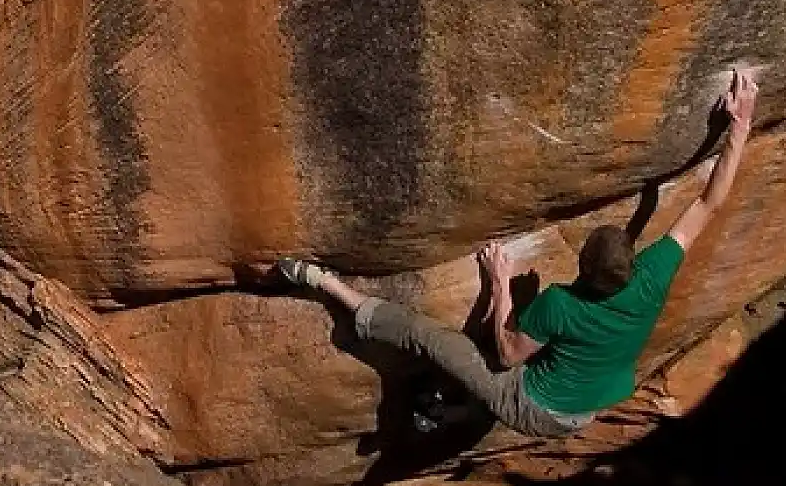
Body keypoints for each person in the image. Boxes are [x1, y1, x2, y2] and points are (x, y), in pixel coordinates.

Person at [277, 69, 760, 438]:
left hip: (537, 408)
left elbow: (509, 356)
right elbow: (707, 202)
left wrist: (500, 281)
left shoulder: (559, 304)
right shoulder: (652, 276)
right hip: (587, 408)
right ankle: (455, 410)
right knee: (488, 379)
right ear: (631, 263)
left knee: (435, 341)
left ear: (582, 269)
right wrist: (739, 127)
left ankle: (327, 286)